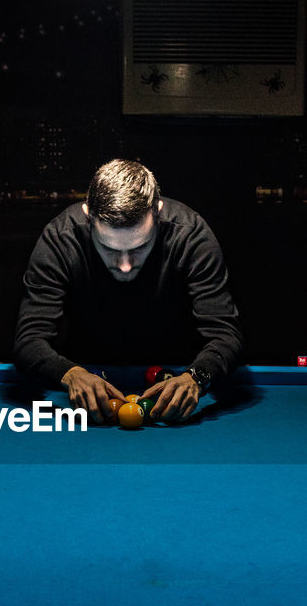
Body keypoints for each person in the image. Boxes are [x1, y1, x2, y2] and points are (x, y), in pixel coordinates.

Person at [13, 159, 244, 423]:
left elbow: (225, 334)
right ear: (89, 217)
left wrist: (196, 377)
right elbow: (29, 340)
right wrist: (71, 374)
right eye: (110, 250)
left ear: (157, 213)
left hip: (175, 370)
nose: (124, 266)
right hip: (89, 370)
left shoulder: (191, 236)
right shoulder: (60, 238)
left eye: (138, 248)